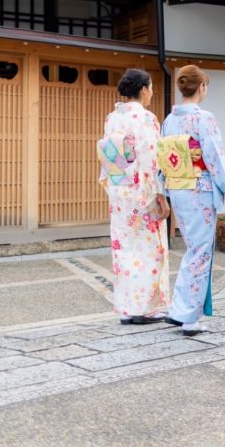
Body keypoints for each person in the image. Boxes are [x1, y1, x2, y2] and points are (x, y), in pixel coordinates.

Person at [159, 65, 225, 337]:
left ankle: (180, 308)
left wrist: (163, 187)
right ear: (201, 87)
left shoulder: (169, 120)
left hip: (178, 188)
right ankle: (188, 316)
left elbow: (163, 156)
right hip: (200, 187)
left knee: (193, 249)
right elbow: (214, 155)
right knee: (201, 251)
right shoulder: (204, 118)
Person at [96, 68, 170, 324]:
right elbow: (152, 158)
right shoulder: (146, 118)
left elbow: (107, 155)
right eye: (150, 87)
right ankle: (145, 308)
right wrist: (160, 194)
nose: (151, 93)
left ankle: (127, 309)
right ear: (143, 89)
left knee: (124, 249)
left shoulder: (111, 118)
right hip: (142, 192)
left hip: (119, 190)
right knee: (150, 249)